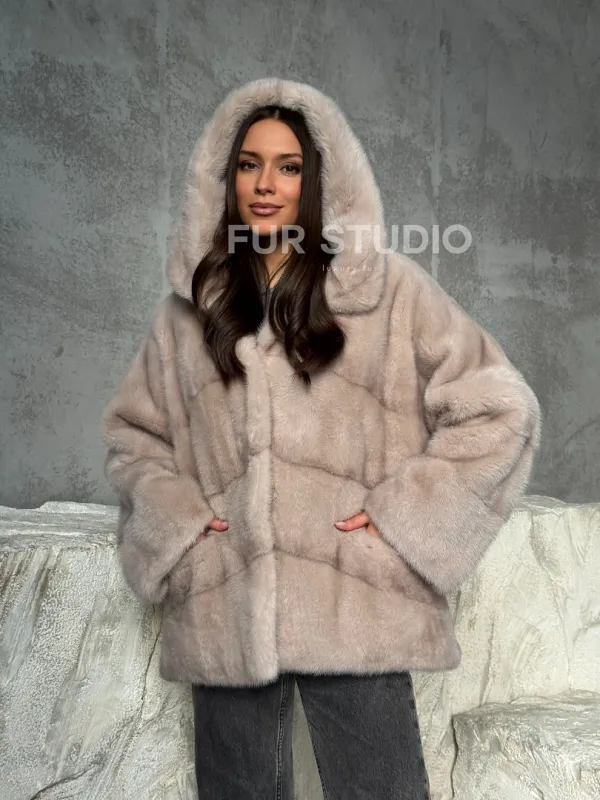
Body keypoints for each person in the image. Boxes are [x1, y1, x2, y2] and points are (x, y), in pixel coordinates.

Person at [101, 77, 542, 799]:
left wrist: (404, 518)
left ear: (318, 182)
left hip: (355, 601)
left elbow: (499, 407)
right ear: (224, 179)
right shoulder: (189, 313)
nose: (265, 184)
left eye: (288, 166)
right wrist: (181, 526)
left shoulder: (391, 293)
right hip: (226, 611)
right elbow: (133, 438)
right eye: (248, 164)